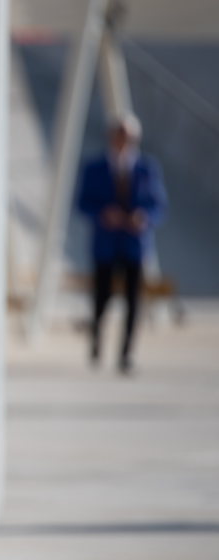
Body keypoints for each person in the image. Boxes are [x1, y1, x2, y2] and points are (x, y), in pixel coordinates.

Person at [78, 114, 167, 373]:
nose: (123, 140)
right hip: (105, 243)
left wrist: (143, 217)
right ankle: (96, 339)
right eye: (119, 134)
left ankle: (126, 353)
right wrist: (103, 214)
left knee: (132, 300)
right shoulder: (95, 168)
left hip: (134, 244)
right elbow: (83, 203)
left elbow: (159, 206)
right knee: (101, 297)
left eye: (127, 136)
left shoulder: (147, 169)